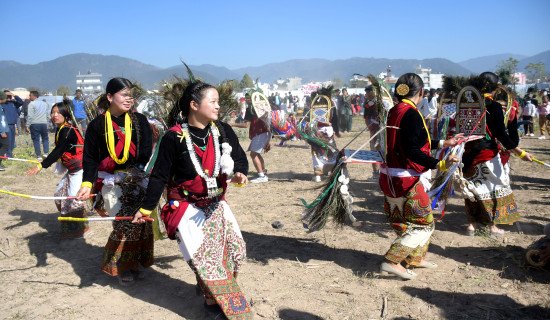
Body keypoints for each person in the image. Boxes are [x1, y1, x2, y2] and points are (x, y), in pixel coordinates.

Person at [136, 81, 252, 318]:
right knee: (208, 259)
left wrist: (240, 173)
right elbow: (159, 176)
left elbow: (240, 158)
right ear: (193, 105)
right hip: (186, 206)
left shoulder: (222, 131)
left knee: (236, 251)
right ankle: (213, 306)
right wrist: (146, 209)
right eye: (213, 101)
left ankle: (212, 289)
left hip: (216, 203)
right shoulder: (174, 137)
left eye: (218, 101)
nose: (218, 106)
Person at [378, 73, 463, 280]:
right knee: (425, 223)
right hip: (406, 180)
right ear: (422, 93)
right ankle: (392, 261)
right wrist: (440, 163)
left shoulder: (394, 111)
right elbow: (413, 150)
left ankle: (415, 258)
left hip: (390, 176)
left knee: (409, 221)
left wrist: (444, 143)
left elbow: (412, 142)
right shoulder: (411, 113)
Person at [75, 78, 153, 285]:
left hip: (136, 179)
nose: (129, 99)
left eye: (131, 95)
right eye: (124, 95)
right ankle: (122, 266)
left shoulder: (140, 121)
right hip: (109, 181)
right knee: (124, 222)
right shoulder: (97, 125)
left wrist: (136, 173)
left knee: (140, 223)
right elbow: (90, 158)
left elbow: (145, 152)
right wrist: (87, 184)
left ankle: (136, 262)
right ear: (110, 97)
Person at [462, 72, 533, 236]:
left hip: (468, 154)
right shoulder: (493, 106)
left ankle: (472, 226)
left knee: (472, 189)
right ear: (495, 88)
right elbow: (501, 134)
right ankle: (493, 227)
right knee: (496, 188)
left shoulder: (466, 104)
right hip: (487, 154)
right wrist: (520, 153)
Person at [26, 101, 90, 239]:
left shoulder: (67, 130)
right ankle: (73, 228)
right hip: (72, 170)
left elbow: (58, 151)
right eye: (53, 112)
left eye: (58, 113)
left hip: (80, 170)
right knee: (59, 195)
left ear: (66, 115)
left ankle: (82, 230)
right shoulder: (61, 129)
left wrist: (40, 166)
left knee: (73, 200)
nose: (54, 115)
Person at [230, 92, 270, 183]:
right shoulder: (262, 107)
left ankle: (262, 176)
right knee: (256, 153)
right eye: (246, 98)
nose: (248, 100)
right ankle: (263, 172)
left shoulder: (252, 109)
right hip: (265, 132)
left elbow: (245, 125)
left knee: (253, 154)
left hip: (260, 133)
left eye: (249, 98)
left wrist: (232, 124)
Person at [27, 91, 50, 160]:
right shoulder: (45, 104)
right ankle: (46, 153)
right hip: (43, 123)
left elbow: (30, 116)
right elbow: (47, 114)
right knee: (45, 138)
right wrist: (47, 123)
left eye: (30, 95)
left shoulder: (31, 104)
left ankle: (38, 155)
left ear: (34, 96)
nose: (29, 97)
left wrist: (27, 125)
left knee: (36, 140)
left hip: (34, 124)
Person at [3, 90, 23, 157]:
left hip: (13, 124)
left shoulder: (13, 103)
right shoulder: (2, 104)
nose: (9, 98)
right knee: (8, 141)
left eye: (9, 96)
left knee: (12, 141)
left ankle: (10, 154)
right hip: (6, 125)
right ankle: (7, 155)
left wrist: (14, 95)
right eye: (7, 96)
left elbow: (21, 102)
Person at [0, 92, 10, 171]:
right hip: (1, 131)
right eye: (5, 98)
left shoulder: (1, 106)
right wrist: (2, 131)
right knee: (6, 145)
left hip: (3, 130)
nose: (6, 99)